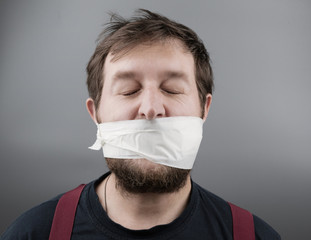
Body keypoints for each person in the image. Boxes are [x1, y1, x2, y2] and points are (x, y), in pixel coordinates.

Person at [1, 9, 281, 240]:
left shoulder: (254, 236)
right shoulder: (32, 233)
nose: (150, 109)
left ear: (204, 109)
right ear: (95, 113)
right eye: (128, 90)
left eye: (171, 89)